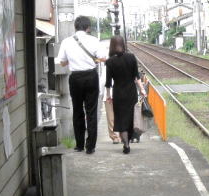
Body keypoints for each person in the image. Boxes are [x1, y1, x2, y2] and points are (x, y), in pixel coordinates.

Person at [56, 16, 106, 153]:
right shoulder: (94, 40)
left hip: (75, 78)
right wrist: (93, 60)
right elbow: (103, 57)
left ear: (75, 27)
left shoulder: (66, 42)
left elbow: (61, 62)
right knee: (91, 111)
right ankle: (90, 147)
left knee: (77, 110)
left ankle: (79, 144)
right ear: (88, 28)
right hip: (91, 76)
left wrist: (71, 61)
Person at [105, 35, 146, 154]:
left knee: (121, 119)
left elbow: (108, 82)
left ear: (112, 46)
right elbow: (136, 77)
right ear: (123, 44)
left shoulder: (110, 62)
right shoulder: (131, 57)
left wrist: (108, 95)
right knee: (130, 117)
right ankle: (130, 138)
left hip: (118, 93)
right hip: (131, 92)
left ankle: (126, 144)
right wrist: (142, 89)